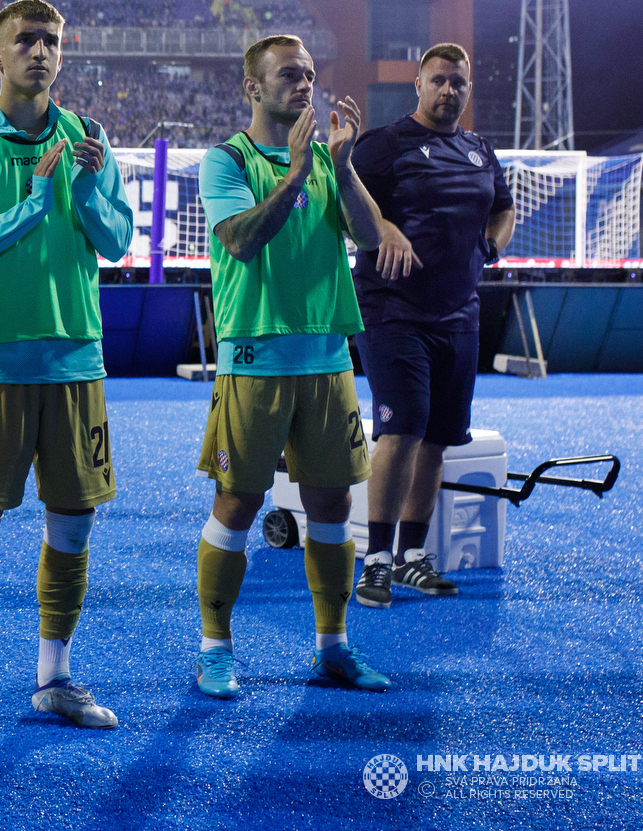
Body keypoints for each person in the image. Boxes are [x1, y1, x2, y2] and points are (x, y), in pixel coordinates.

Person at [0, 0, 133, 744]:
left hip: (76, 363)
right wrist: (34, 203)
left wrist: (78, 190)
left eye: (51, 40)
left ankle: (53, 677)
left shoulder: (92, 140)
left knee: (72, 530)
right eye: (25, 40)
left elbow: (115, 240)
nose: (40, 52)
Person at [191, 34, 390, 699]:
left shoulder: (327, 161)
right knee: (239, 501)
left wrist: (344, 163)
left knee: (332, 502)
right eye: (287, 75)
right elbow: (241, 241)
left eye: (309, 74)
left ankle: (332, 646)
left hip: (329, 356)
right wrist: (298, 171)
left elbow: (369, 235)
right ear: (252, 86)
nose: (304, 84)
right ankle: (215, 650)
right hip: (254, 358)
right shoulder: (228, 160)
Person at [349, 44, 516, 608]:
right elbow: (340, 201)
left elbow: (503, 206)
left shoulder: (478, 150)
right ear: (417, 85)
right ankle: (374, 560)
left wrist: (490, 246)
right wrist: (384, 227)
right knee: (402, 429)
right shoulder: (384, 145)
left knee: (438, 439)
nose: (449, 91)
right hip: (392, 311)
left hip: (460, 315)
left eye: (458, 84)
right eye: (439, 81)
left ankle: (411, 558)